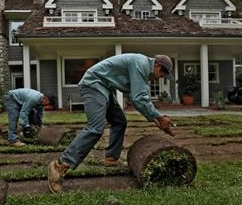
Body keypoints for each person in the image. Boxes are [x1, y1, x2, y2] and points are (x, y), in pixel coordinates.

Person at [47, 53, 176, 193]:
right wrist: (158, 117)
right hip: (93, 84)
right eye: (161, 74)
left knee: (119, 121)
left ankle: (111, 158)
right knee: (95, 128)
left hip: (105, 88)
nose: (160, 78)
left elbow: (137, 96)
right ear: (157, 65)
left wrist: (156, 119)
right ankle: (59, 166)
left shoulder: (143, 70)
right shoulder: (141, 64)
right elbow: (139, 98)